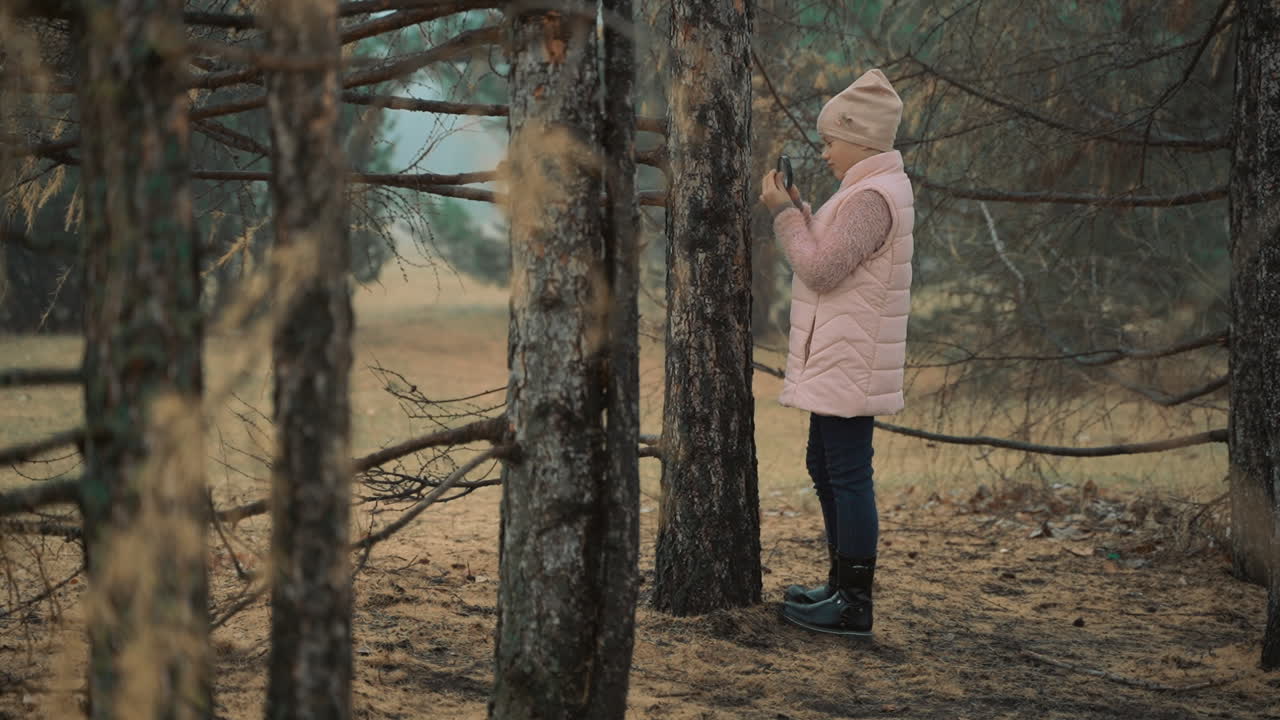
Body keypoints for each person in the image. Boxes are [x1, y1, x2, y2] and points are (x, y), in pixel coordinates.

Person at [757, 68, 914, 636]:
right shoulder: (862, 191)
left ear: (862, 139)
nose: (823, 152)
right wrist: (801, 207)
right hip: (844, 353)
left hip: (852, 356)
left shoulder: (872, 196)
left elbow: (821, 267)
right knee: (825, 466)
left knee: (846, 473)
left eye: (830, 142)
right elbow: (831, 247)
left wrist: (782, 216)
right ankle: (839, 587)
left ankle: (853, 603)